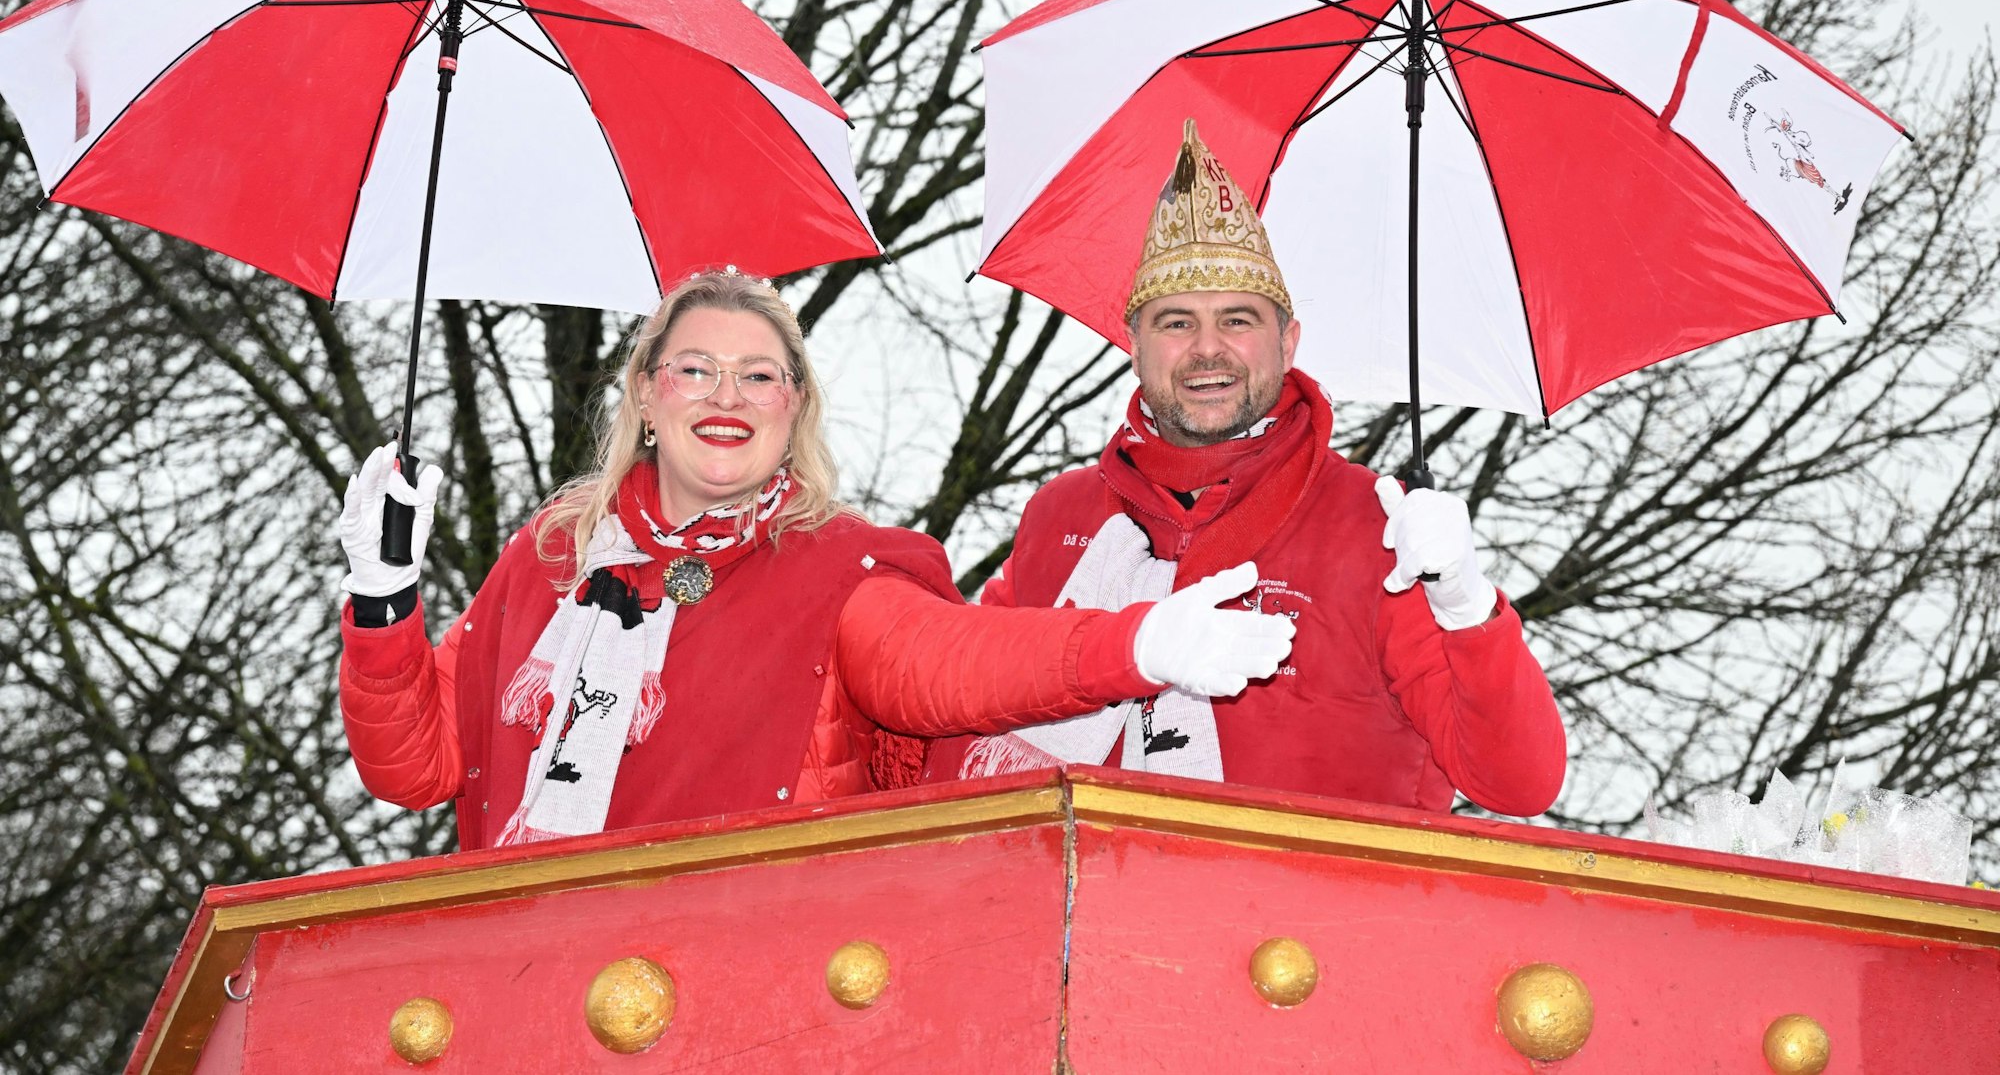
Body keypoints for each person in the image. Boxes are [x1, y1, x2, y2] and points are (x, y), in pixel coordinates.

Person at [336, 268, 1294, 849]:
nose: (729, 395)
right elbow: (415, 769)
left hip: (750, 992)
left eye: (761, 376)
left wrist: (1139, 646)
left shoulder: (843, 565)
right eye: (697, 369)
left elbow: (950, 665)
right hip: (521, 978)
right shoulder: (553, 555)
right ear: (647, 392)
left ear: (795, 407)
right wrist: (382, 597)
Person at [928, 121, 1567, 817]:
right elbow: (963, 709)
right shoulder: (1062, 515)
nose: (1208, 349)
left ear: (1288, 341)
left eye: (1237, 320)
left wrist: (1468, 607)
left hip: (1328, 917)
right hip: (1080, 913)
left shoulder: (1376, 527)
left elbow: (1518, 783)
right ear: (1133, 344)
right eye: (1175, 322)